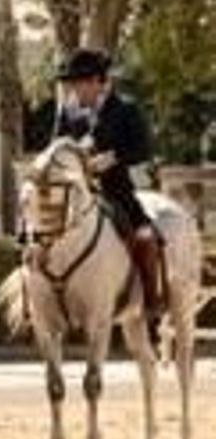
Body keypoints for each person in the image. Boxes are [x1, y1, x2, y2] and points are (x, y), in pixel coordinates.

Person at [50, 48, 164, 323]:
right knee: (40, 232)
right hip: (74, 191)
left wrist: (112, 158)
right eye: (72, 84)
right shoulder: (67, 111)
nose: (75, 90)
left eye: (79, 83)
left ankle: (151, 298)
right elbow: (55, 149)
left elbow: (143, 149)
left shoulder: (126, 109)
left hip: (115, 187)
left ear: (97, 81)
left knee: (145, 234)